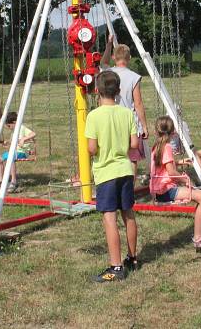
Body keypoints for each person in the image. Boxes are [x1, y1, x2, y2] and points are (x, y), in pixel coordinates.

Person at [85, 70, 139, 282]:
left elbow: (91, 148)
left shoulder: (94, 116)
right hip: (125, 170)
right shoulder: (127, 113)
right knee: (128, 214)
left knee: (110, 218)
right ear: (118, 91)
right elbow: (134, 144)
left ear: (97, 90)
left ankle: (116, 267)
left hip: (106, 173)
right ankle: (132, 258)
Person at [150, 116, 201, 252]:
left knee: (199, 197)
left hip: (159, 189)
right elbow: (171, 172)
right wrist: (184, 179)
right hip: (165, 191)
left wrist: (180, 162)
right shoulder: (167, 146)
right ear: (173, 133)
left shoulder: (157, 146)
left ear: (156, 132)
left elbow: (162, 166)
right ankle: (199, 239)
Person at [102, 36, 149, 180]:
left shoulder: (108, 73)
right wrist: (144, 126)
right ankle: (130, 187)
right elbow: (138, 103)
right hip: (130, 123)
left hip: (111, 121)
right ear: (128, 58)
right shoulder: (133, 77)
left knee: (113, 156)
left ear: (113, 57)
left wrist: (109, 43)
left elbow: (103, 62)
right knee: (132, 158)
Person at [0, 111, 36, 193]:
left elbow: (33, 134)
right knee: (0, 159)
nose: (8, 127)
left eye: (9, 125)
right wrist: (7, 143)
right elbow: (13, 143)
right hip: (15, 152)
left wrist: (24, 139)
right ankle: (1, 181)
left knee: (11, 158)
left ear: (14, 122)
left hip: (23, 152)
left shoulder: (22, 128)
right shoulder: (13, 132)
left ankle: (13, 181)